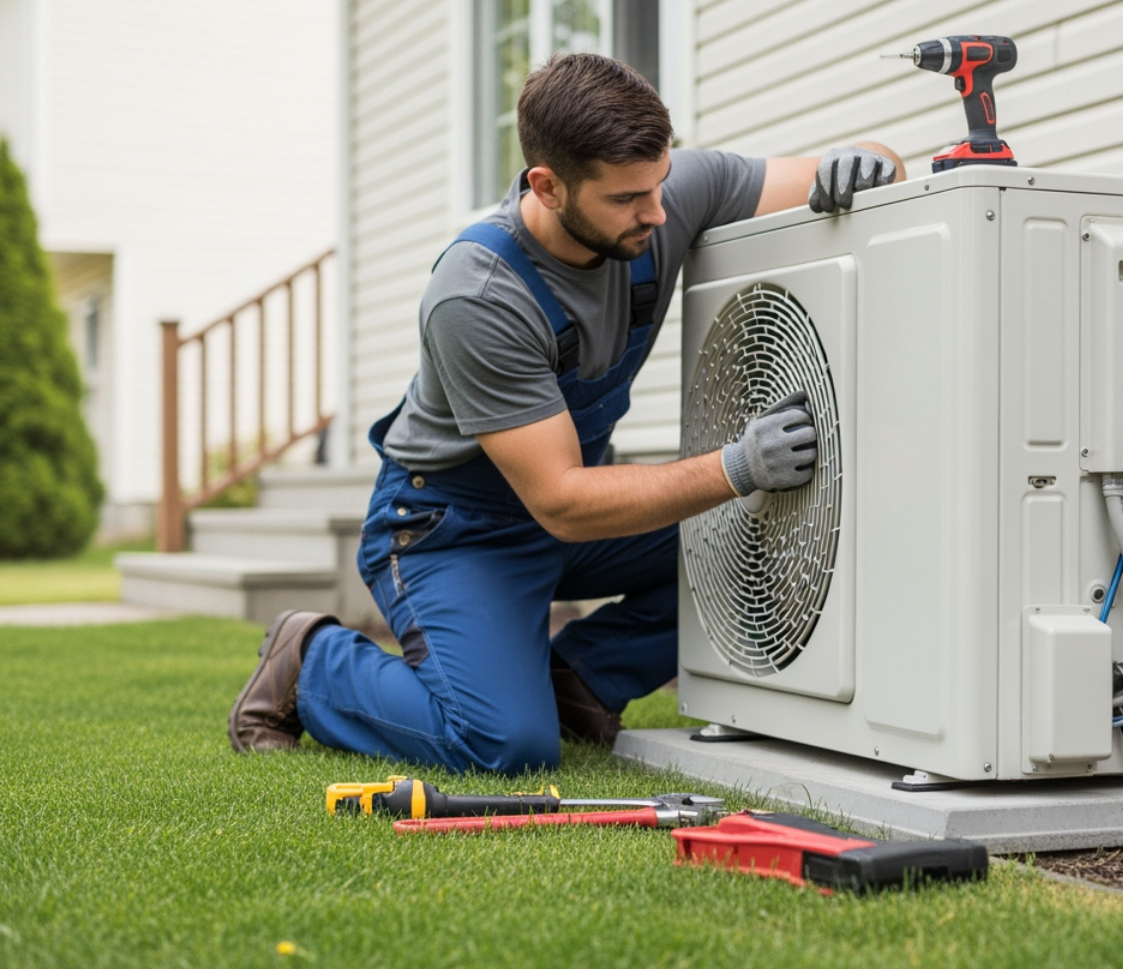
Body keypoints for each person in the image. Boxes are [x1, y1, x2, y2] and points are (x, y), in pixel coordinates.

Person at [228, 53, 904, 773]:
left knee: (775, 542)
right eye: (625, 199)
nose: (657, 213)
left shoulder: (661, 192)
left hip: (575, 506)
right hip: (454, 532)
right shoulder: (478, 294)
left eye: (660, 183)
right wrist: (738, 465)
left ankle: (579, 682)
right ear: (547, 187)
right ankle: (315, 663)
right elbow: (562, 501)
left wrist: (869, 164)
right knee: (502, 745)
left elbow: (871, 164)